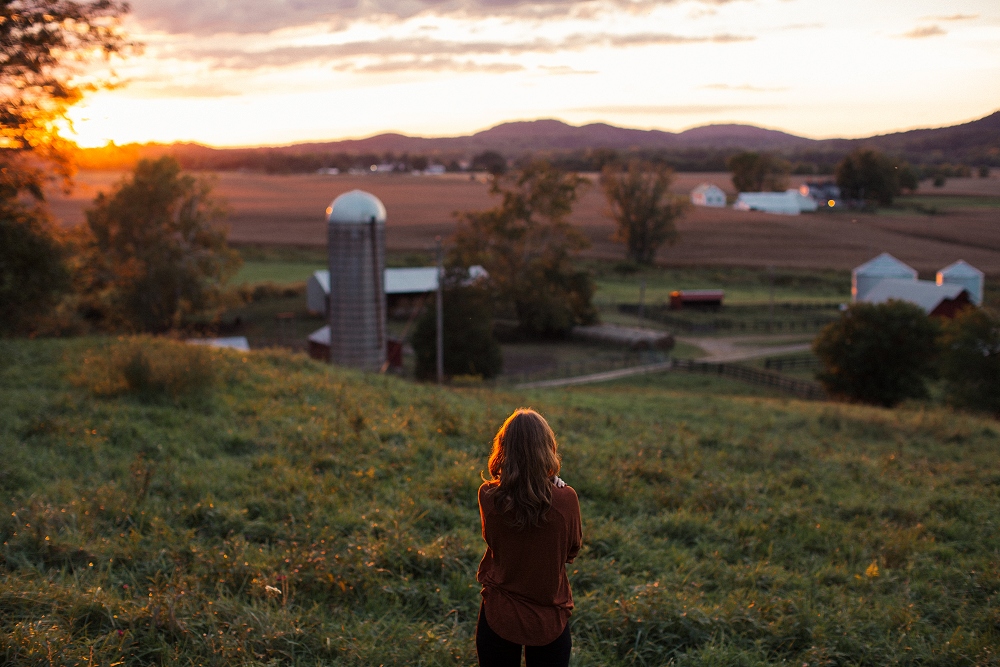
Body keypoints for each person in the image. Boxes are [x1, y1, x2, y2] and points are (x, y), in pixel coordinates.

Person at [476, 408, 583, 667]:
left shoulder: (489, 496)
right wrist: (553, 483)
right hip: (549, 615)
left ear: (504, 448)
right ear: (546, 447)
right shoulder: (566, 499)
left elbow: (492, 540)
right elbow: (572, 551)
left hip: (500, 612)